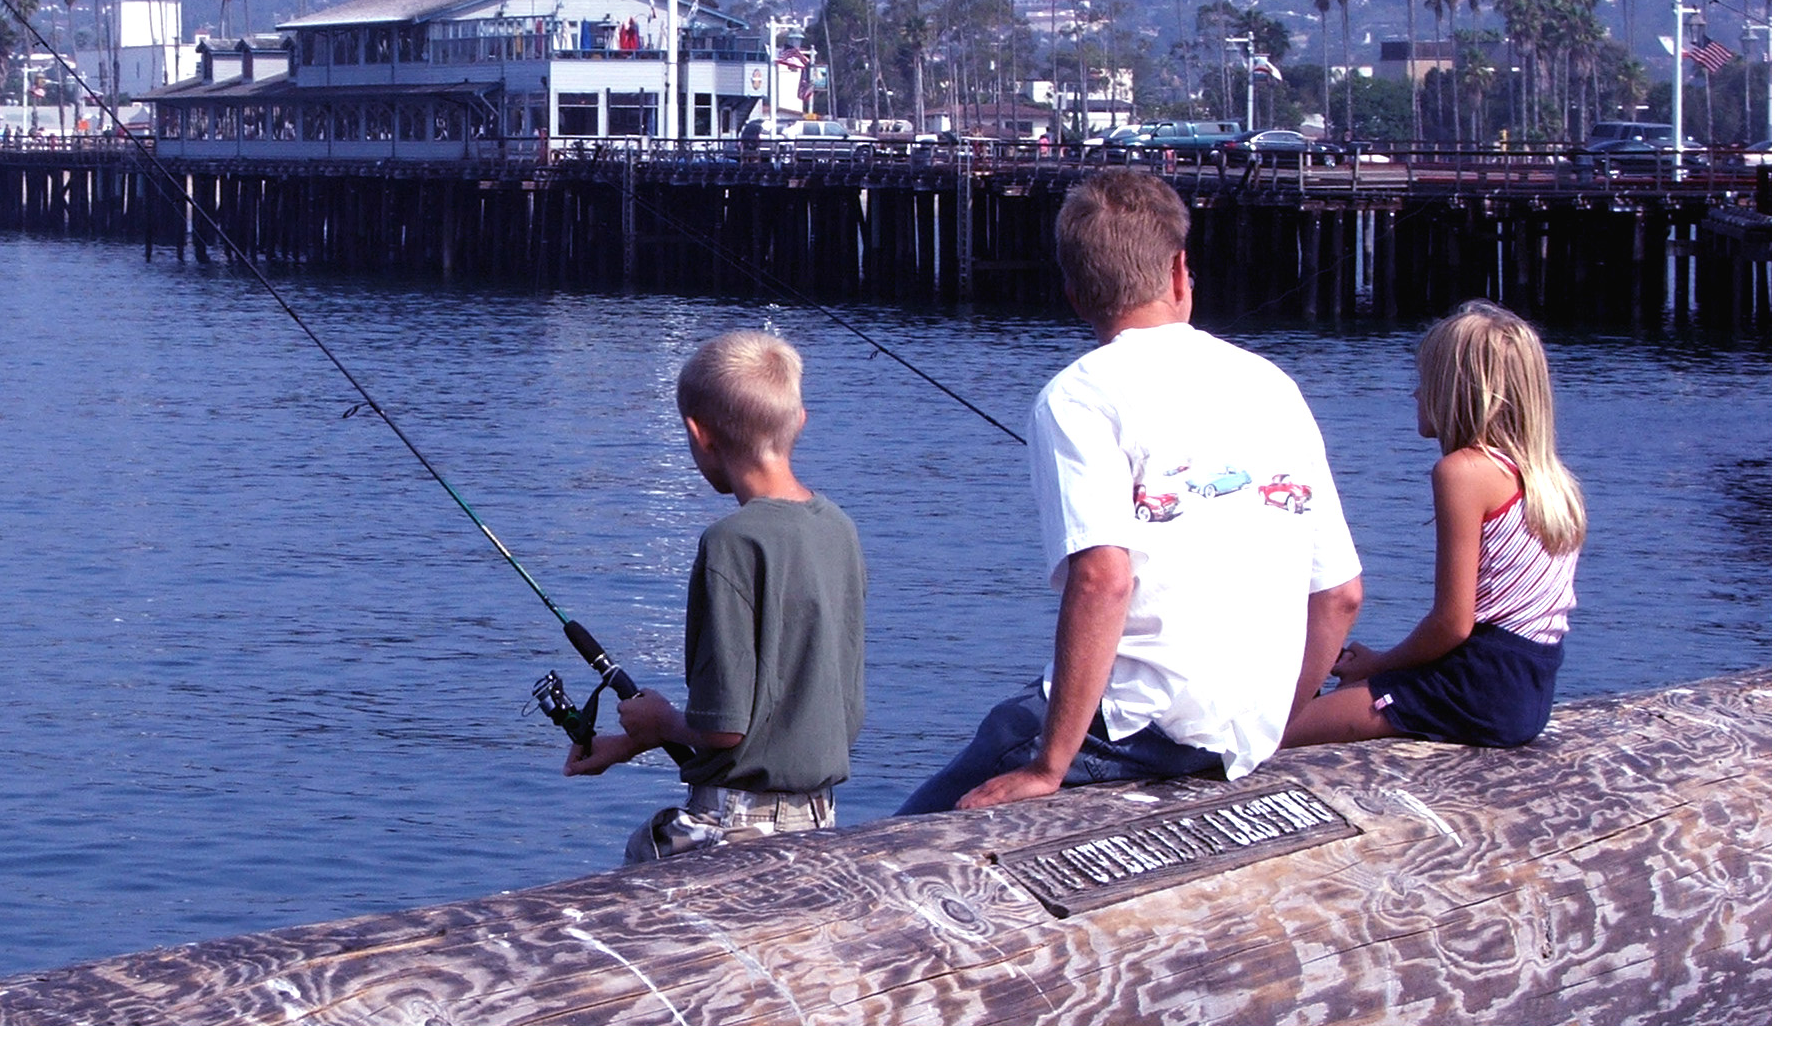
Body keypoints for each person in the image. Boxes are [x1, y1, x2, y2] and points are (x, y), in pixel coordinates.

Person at [897, 170, 1363, 814]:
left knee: (922, 820)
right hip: (1242, 737)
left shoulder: (1079, 393)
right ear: (1180, 271)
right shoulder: (1274, 386)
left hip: (1136, 729)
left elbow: (1102, 580)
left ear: (1074, 294)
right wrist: (1272, 729)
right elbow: (1341, 596)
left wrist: (1049, 766)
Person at [563, 331, 867, 864]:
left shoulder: (731, 542)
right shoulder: (838, 528)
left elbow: (724, 728)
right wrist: (634, 743)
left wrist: (661, 724)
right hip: (821, 821)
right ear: (799, 420)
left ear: (699, 435)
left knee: (632, 870)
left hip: (736, 827)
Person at [1285, 301, 1584, 750]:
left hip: (1474, 686)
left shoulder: (1463, 473)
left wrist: (1377, 665)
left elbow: (1452, 623)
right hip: (1526, 688)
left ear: (1458, 391)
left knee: (1271, 734)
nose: (1416, 395)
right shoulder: (1549, 481)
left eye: (1425, 381)